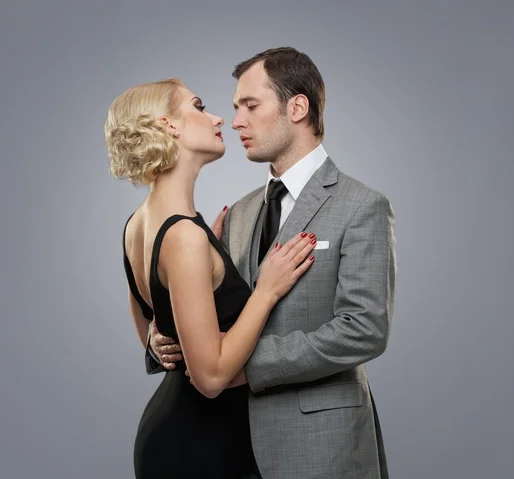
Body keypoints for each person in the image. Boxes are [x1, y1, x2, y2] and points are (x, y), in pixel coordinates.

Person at [147, 48, 398, 478]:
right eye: (235, 108)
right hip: (231, 445)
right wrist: (161, 336)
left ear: (297, 108)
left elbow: (365, 329)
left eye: (250, 105)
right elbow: (220, 314)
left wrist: (249, 367)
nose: (236, 121)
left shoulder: (362, 206)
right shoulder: (240, 212)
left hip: (323, 445)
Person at [105, 77, 317, 478]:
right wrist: (266, 291)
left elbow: (155, 330)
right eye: (198, 106)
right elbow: (211, 377)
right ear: (168, 125)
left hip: (175, 435)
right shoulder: (184, 237)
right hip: (202, 448)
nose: (219, 118)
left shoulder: (138, 224)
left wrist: (206, 258)